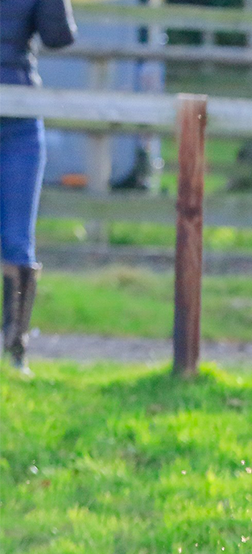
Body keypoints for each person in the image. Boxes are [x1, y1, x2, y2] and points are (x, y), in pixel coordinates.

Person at [1, 0, 74, 375]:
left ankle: (14, 350)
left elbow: (59, 37)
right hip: (18, 110)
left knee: (17, 239)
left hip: (19, 116)